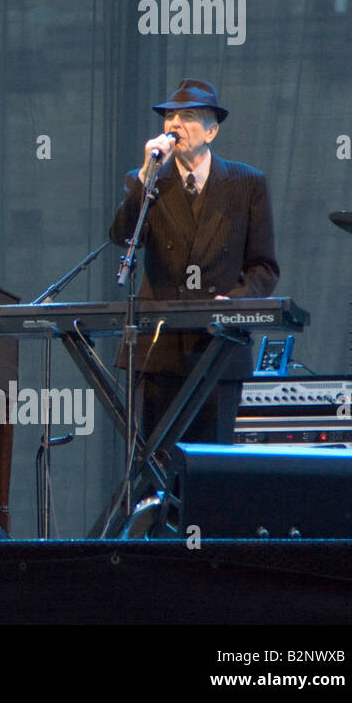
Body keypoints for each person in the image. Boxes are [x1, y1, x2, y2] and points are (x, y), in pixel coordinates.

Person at [109, 79, 279, 443]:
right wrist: (144, 176)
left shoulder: (246, 183)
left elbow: (264, 266)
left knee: (212, 467)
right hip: (158, 348)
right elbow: (122, 237)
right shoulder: (150, 181)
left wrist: (235, 303)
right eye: (169, 117)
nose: (174, 125)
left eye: (187, 117)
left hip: (218, 346)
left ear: (212, 130)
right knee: (154, 464)